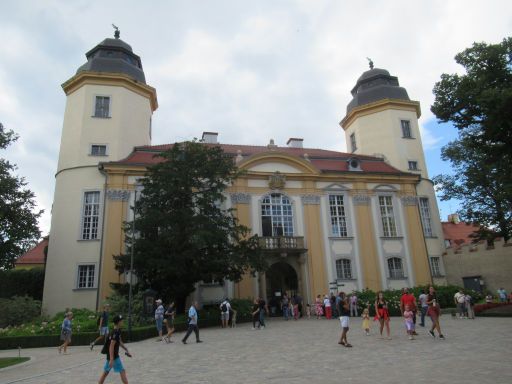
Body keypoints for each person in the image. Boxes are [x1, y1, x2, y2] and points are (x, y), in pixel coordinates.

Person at [98, 315, 131, 384]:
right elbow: (111, 346)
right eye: (121, 321)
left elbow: (119, 341)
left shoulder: (118, 330)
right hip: (114, 356)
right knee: (122, 371)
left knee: (105, 373)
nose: (123, 322)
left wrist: (126, 349)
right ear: (118, 322)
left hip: (112, 356)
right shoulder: (115, 332)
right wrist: (112, 359)